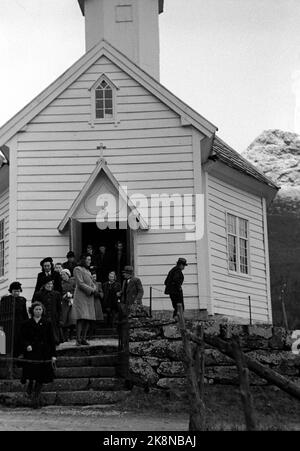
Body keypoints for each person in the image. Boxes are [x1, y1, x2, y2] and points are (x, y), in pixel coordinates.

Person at [20, 302, 56, 409]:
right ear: (32, 311)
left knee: (41, 376)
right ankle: (30, 386)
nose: (38, 311)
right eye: (36, 309)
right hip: (31, 352)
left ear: (42, 311)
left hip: (43, 352)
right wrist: (27, 345)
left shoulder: (47, 323)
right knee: (31, 373)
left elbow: (51, 340)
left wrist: (53, 355)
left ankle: (36, 399)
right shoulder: (26, 323)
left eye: (40, 309)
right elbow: (22, 338)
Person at [73, 254, 97, 346]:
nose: (89, 261)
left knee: (88, 318)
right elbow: (80, 283)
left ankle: (84, 338)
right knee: (81, 317)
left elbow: (92, 282)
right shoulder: (77, 269)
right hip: (81, 296)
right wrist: (91, 290)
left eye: (90, 259)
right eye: (88, 259)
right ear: (83, 260)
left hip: (89, 297)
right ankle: (78, 339)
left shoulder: (88, 270)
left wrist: (94, 288)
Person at [0, 282, 28, 356]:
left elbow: (25, 314)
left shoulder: (22, 300)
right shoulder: (5, 299)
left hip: (19, 324)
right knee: (9, 342)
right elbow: (1, 313)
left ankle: (17, 358)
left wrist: (26, 324)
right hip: (9, 324)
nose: (17, 293)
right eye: (15, 291)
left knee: (18, 341)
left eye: (18, 291)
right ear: (11, 291)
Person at [34, 280, 63, 345]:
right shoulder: (38, 294)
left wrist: (60, 319)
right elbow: (35, 306)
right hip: (43, 317)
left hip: (54, 317)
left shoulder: (56, 294)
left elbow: (59, 308)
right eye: (48, 284)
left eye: (51, 284)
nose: (50, 285)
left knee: (55, 338)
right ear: (44, 285)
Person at [60, 269, 76, 342]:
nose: (62, 276)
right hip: (64, 303)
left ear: (68, 274)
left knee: (72, 319)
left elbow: (76, 290)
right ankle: (65, 336)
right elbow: (60, 292)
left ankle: (71, 335)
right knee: (64, 319)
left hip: (73, 302)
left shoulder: (73, 282)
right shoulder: (61, 283)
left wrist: (71, 294)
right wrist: (64, 295)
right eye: (61, 275)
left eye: (64, 274)